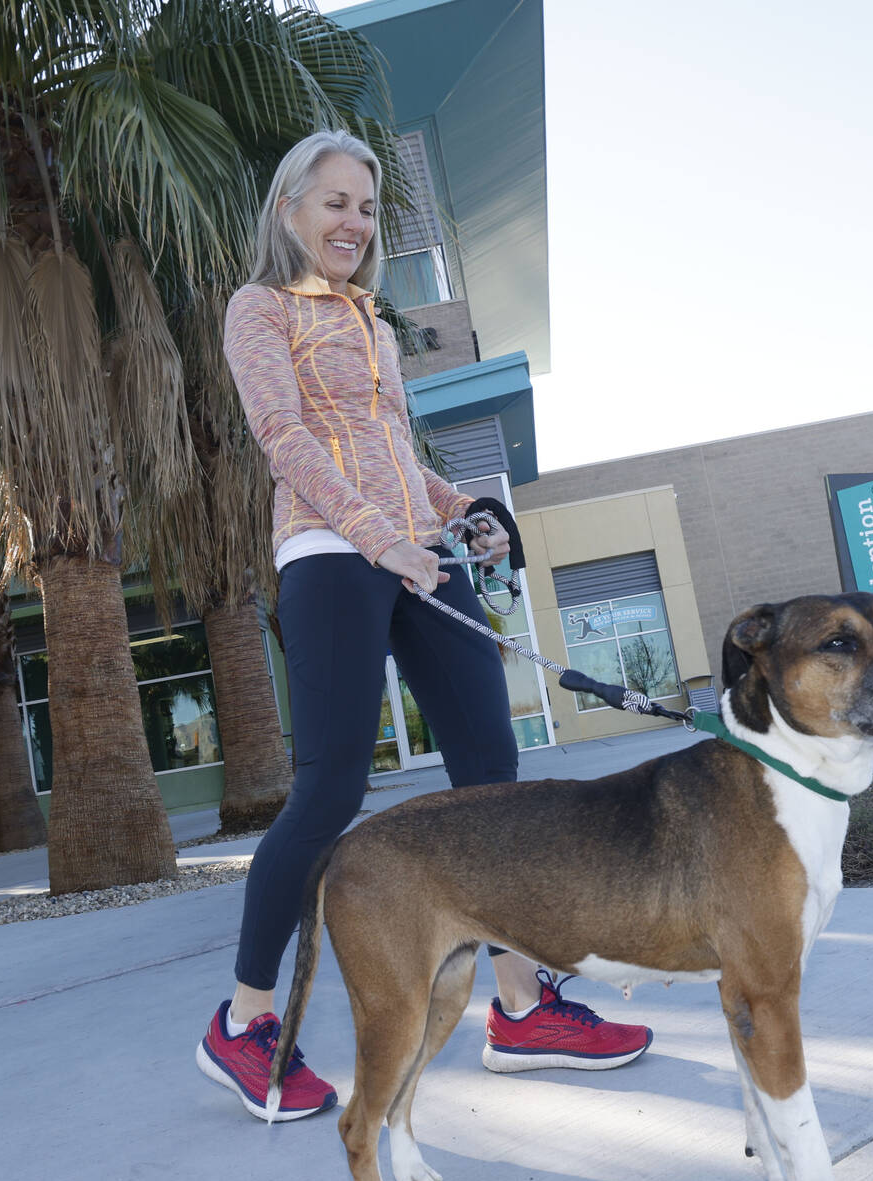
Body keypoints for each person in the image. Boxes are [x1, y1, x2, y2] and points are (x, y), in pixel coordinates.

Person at [196, 129, 651, 1122]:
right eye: (334, 202)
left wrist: (452, 512)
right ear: (289, 210)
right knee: (331, 789)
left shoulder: (370, 318)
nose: (354, 221)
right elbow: (287, 439)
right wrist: (376, 539)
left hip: (418, 556)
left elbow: (389, 446)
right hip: (327, 557)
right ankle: (244, 1020)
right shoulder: (258, 309)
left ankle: (522, 1009)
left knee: (493, 783)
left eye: (365, 206)